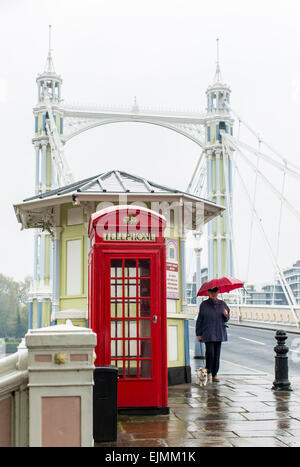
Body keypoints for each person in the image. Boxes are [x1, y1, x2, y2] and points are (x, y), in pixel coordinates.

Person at [195, 287, 230, 382]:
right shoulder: (204, 305)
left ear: (218, 293)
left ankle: (215, 374)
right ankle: (209, 371)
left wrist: (226, 314)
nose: (213, 294)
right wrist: (199, 333)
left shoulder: (222, 304)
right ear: (208, 293)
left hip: (219, 332)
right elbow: (200, 320)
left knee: (217, 355)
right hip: (208, 332)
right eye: (211, 292)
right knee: (210, 353)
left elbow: (227, 318)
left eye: (215, 292)